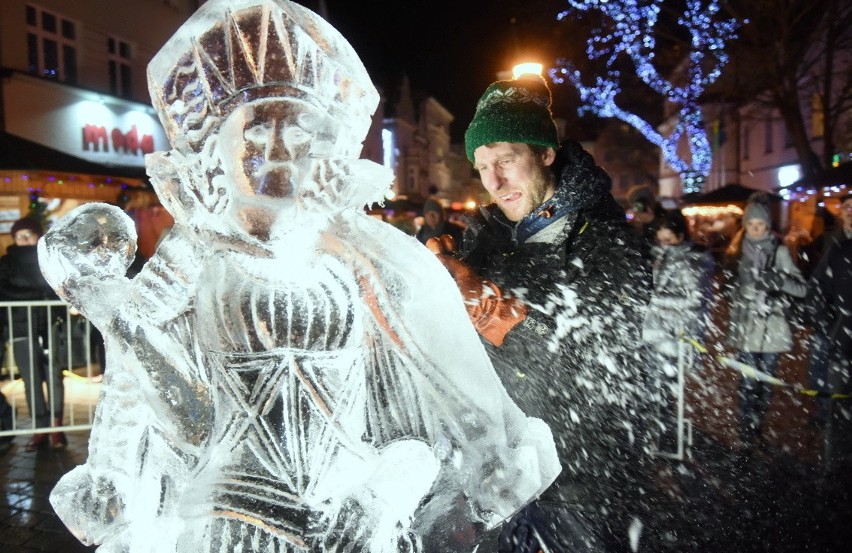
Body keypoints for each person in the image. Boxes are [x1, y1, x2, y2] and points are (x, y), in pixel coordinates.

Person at [40, 1, 559, 551]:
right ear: (216, 148)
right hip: (232, 521)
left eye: (302, 132)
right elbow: (162, 403)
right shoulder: (192, 254)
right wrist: (112, 465)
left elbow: (413, 409)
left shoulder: (357, 255)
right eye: (258, 132)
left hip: (350, 520)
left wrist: (381, 497)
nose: (281, 151)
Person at [428, 74, 654, 552]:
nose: (494, 180)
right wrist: (426, 290)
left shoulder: (603, 238)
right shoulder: (483, 240)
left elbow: (595, 363)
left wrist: (492, 309)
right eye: (483, 165)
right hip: (497, 476)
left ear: (545, 154)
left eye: (507, 160)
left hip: (580, 481)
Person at [724, 198, 806, 450]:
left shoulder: (779, 252)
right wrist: (739, 292)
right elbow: (727, 287)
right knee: (748, 383)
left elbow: (802, 288)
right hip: (747, 326)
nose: (756, 229)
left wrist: (777, 280)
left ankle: (757, 428)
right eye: (752, 224)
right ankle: (745, 433)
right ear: (745, 225)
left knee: (766, 386)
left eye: (761, 224)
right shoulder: (736, 252)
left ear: (768, 226)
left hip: (772, 329)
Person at [641, 210, 714, 448]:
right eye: (661, 241)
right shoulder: (660, 257)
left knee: (663, 387)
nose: (665, 246)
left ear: (681, 236)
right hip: (654, 333)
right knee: (653, 386)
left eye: (669, 241)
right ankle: (660, 429)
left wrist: (655, 300)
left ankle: (666, 432)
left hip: (675, 336)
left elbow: (694, 302)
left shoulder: (692, 261)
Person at [0, 217, 66, 451]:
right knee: (32, 381)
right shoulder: (6, 263)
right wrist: (35, 295)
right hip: (20, 326)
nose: (24, 240)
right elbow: (4, 290)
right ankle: (40, 427)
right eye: (20, 236)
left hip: (48, 323)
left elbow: (59, 287)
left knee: (54, 376)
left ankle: (56, 426)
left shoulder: (48, 259)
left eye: (29, 234)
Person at [806, 193, 851, 470]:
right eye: (847, 208)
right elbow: (817, 286)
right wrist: (826, 322)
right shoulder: (836, 246)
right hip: (843, 341)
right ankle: (836, 470)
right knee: (841, 410)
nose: (850, 213)